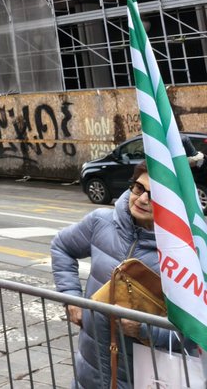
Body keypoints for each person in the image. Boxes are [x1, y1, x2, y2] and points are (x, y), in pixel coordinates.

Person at [51, 163, 178, 389]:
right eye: (138, 188)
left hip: (146, 378)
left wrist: (146, 329)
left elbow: (195, 332)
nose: (141, 199)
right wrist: (71, 297)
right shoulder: (101, 221)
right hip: (90, 372)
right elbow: (62, 246)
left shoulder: (183, 254)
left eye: (154, 195)